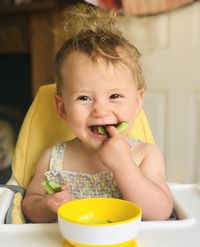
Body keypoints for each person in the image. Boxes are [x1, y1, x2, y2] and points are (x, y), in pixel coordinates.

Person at [22, 3, 173, 223]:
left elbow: (160, 213)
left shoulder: (144, 156)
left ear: (137, 102)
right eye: (84, 98)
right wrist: (46, 206)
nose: (100, 111)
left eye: (115, 96)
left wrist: (123, 165)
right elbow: (28, 205)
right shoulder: (53, 159)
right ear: (63, 108)